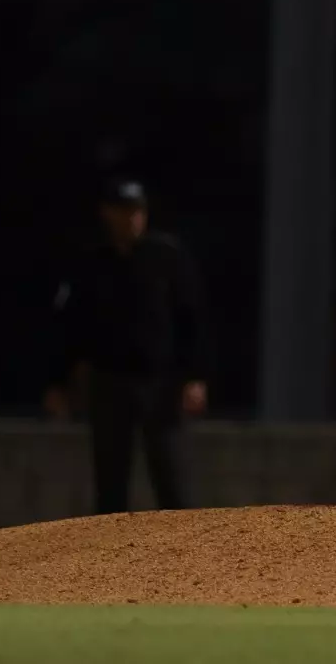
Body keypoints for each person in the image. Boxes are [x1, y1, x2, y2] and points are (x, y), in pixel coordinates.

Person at [45, 177, 214, 514]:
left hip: (160, 382)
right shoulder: (92, 264)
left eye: (138, 211)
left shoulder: (166, 257)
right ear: (107, 213)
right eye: (124, 211)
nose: (132, 219)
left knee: (172, 478)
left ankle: (183, 554)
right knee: (110, 483)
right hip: (110, 380)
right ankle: (112, 560)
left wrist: (195, 377)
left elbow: (191, 319)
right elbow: (71, 327)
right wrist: (58, 381)